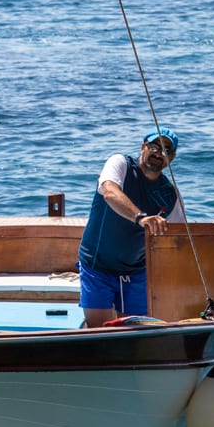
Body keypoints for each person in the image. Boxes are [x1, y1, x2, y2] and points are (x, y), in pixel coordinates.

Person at [78, 127, 186, 325]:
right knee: (98, 330)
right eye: (154, 146)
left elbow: (178, 239)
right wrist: (141, 218)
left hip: (137, 271)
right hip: (97, 265)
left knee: (136, 332)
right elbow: (110, 192)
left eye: (166, 150)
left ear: (173, 157)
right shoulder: (120, 164)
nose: (158, 154)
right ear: (143, 146)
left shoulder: (170, 195)